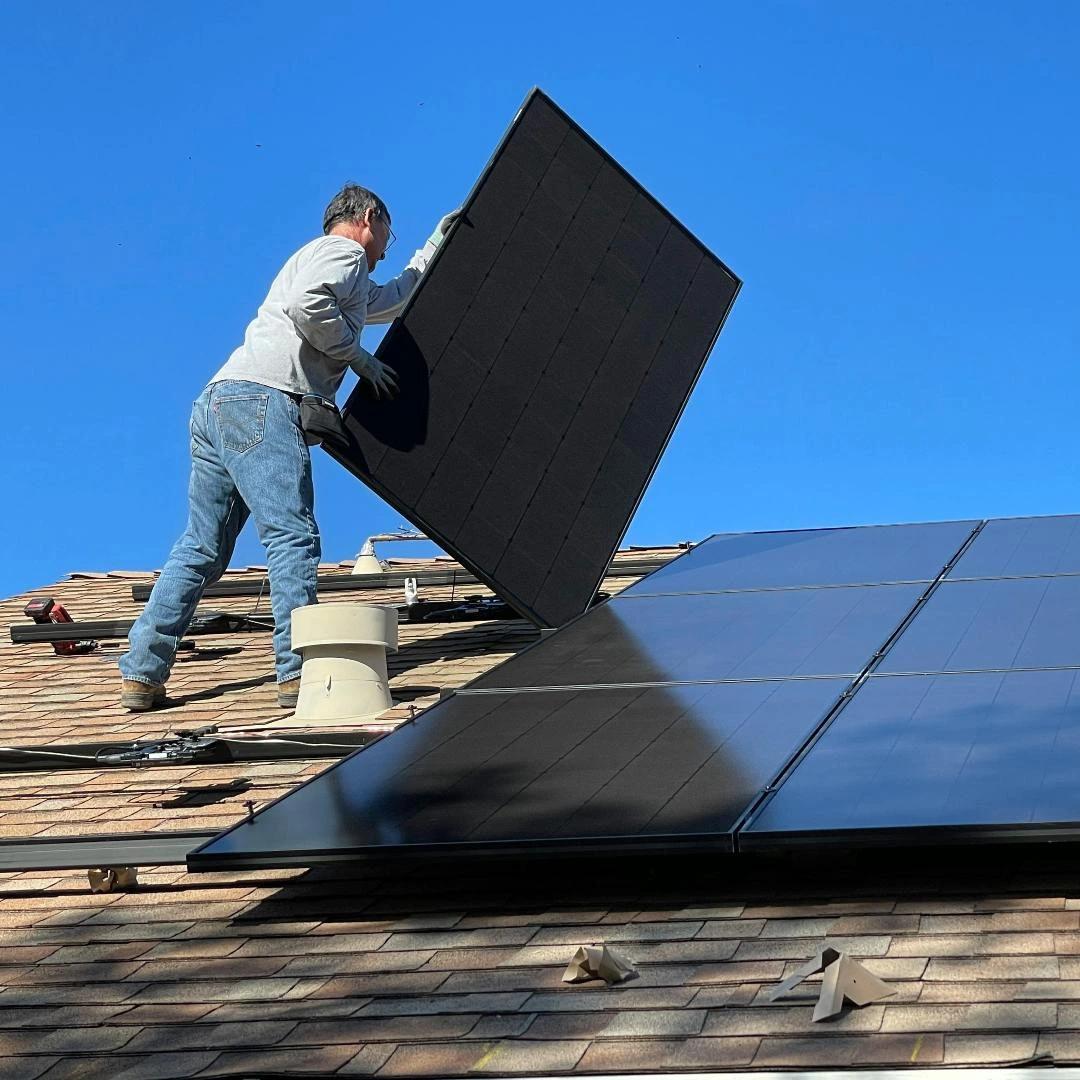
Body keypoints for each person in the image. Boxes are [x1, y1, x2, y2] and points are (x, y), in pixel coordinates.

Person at [118, 183, 455, 711]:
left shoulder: (330, 265)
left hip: (218, 402)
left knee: (201, 548)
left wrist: (434, 246)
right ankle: (299, 672)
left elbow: (389, 301)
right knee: (292, 534)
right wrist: (358, 358)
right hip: (263, 400)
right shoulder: (342, 253)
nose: (388, 244)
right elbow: (307, 305)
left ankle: (142, 670)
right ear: (369, 217)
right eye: (390, 231)